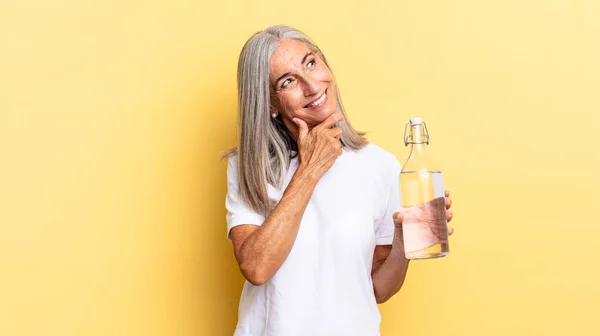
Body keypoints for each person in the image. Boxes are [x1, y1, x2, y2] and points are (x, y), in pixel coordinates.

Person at [224, 25, 454, 336]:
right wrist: (310, 169)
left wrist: (403, 241)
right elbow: (256, 267)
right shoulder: (250, 167)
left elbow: (376, 290)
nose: (312, 86)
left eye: (311, 63)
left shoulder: (380, 165)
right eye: (288, 81)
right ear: (269, 104)